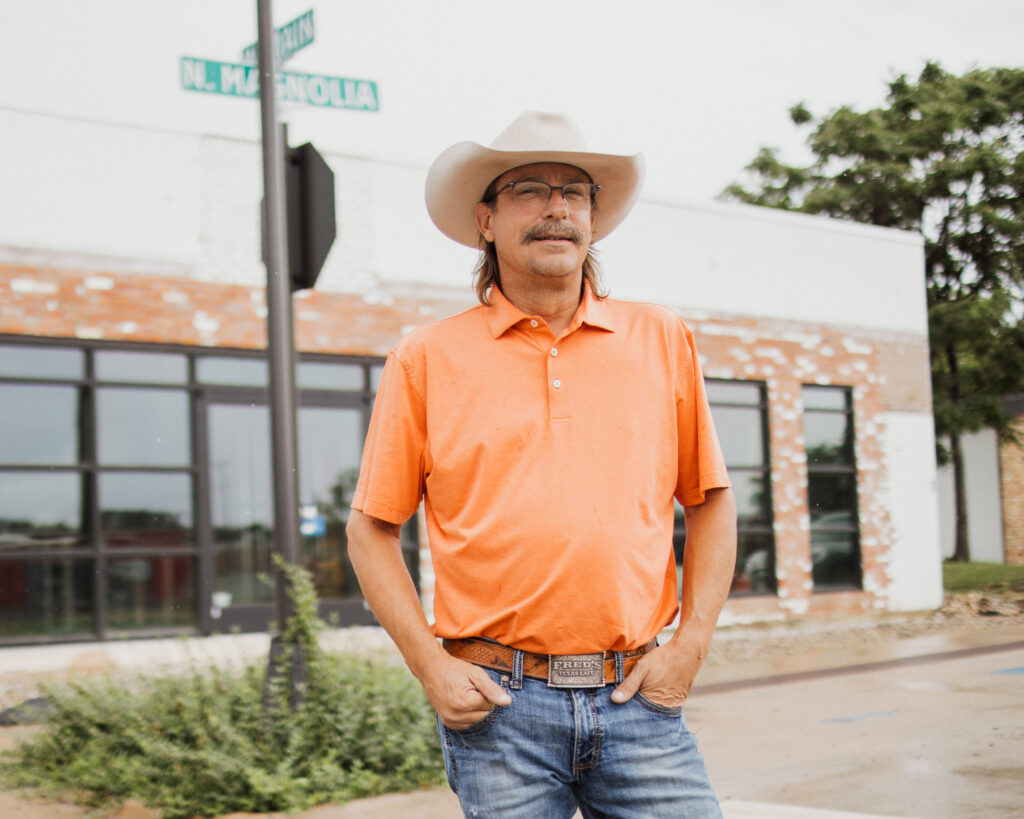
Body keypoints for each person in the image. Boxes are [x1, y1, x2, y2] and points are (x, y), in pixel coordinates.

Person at [347, 111, 737, 818]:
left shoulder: (661, 337)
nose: (557, 207)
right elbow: (370, 529)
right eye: (529, 189)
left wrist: (691, 645)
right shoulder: (426, 357)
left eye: (575, 192)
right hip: (500, 709)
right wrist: (431, 666)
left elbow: (710, 500)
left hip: (639, 697)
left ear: (592, 218)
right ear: (485, 220)